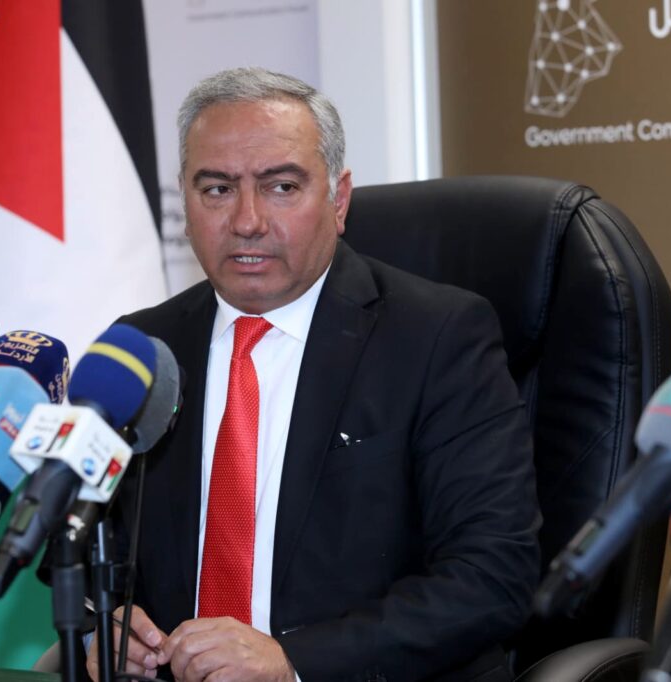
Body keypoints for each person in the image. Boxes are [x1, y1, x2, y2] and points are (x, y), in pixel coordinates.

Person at [88, 67, 540, 682]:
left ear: (339, 198)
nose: (247, 220)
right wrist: (105, 621)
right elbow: (91, 544)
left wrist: (293, 661)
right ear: (186, 204)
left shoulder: (437, 338)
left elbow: (493, 576)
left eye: (281, 187)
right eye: (217, 189)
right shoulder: (141, 351)